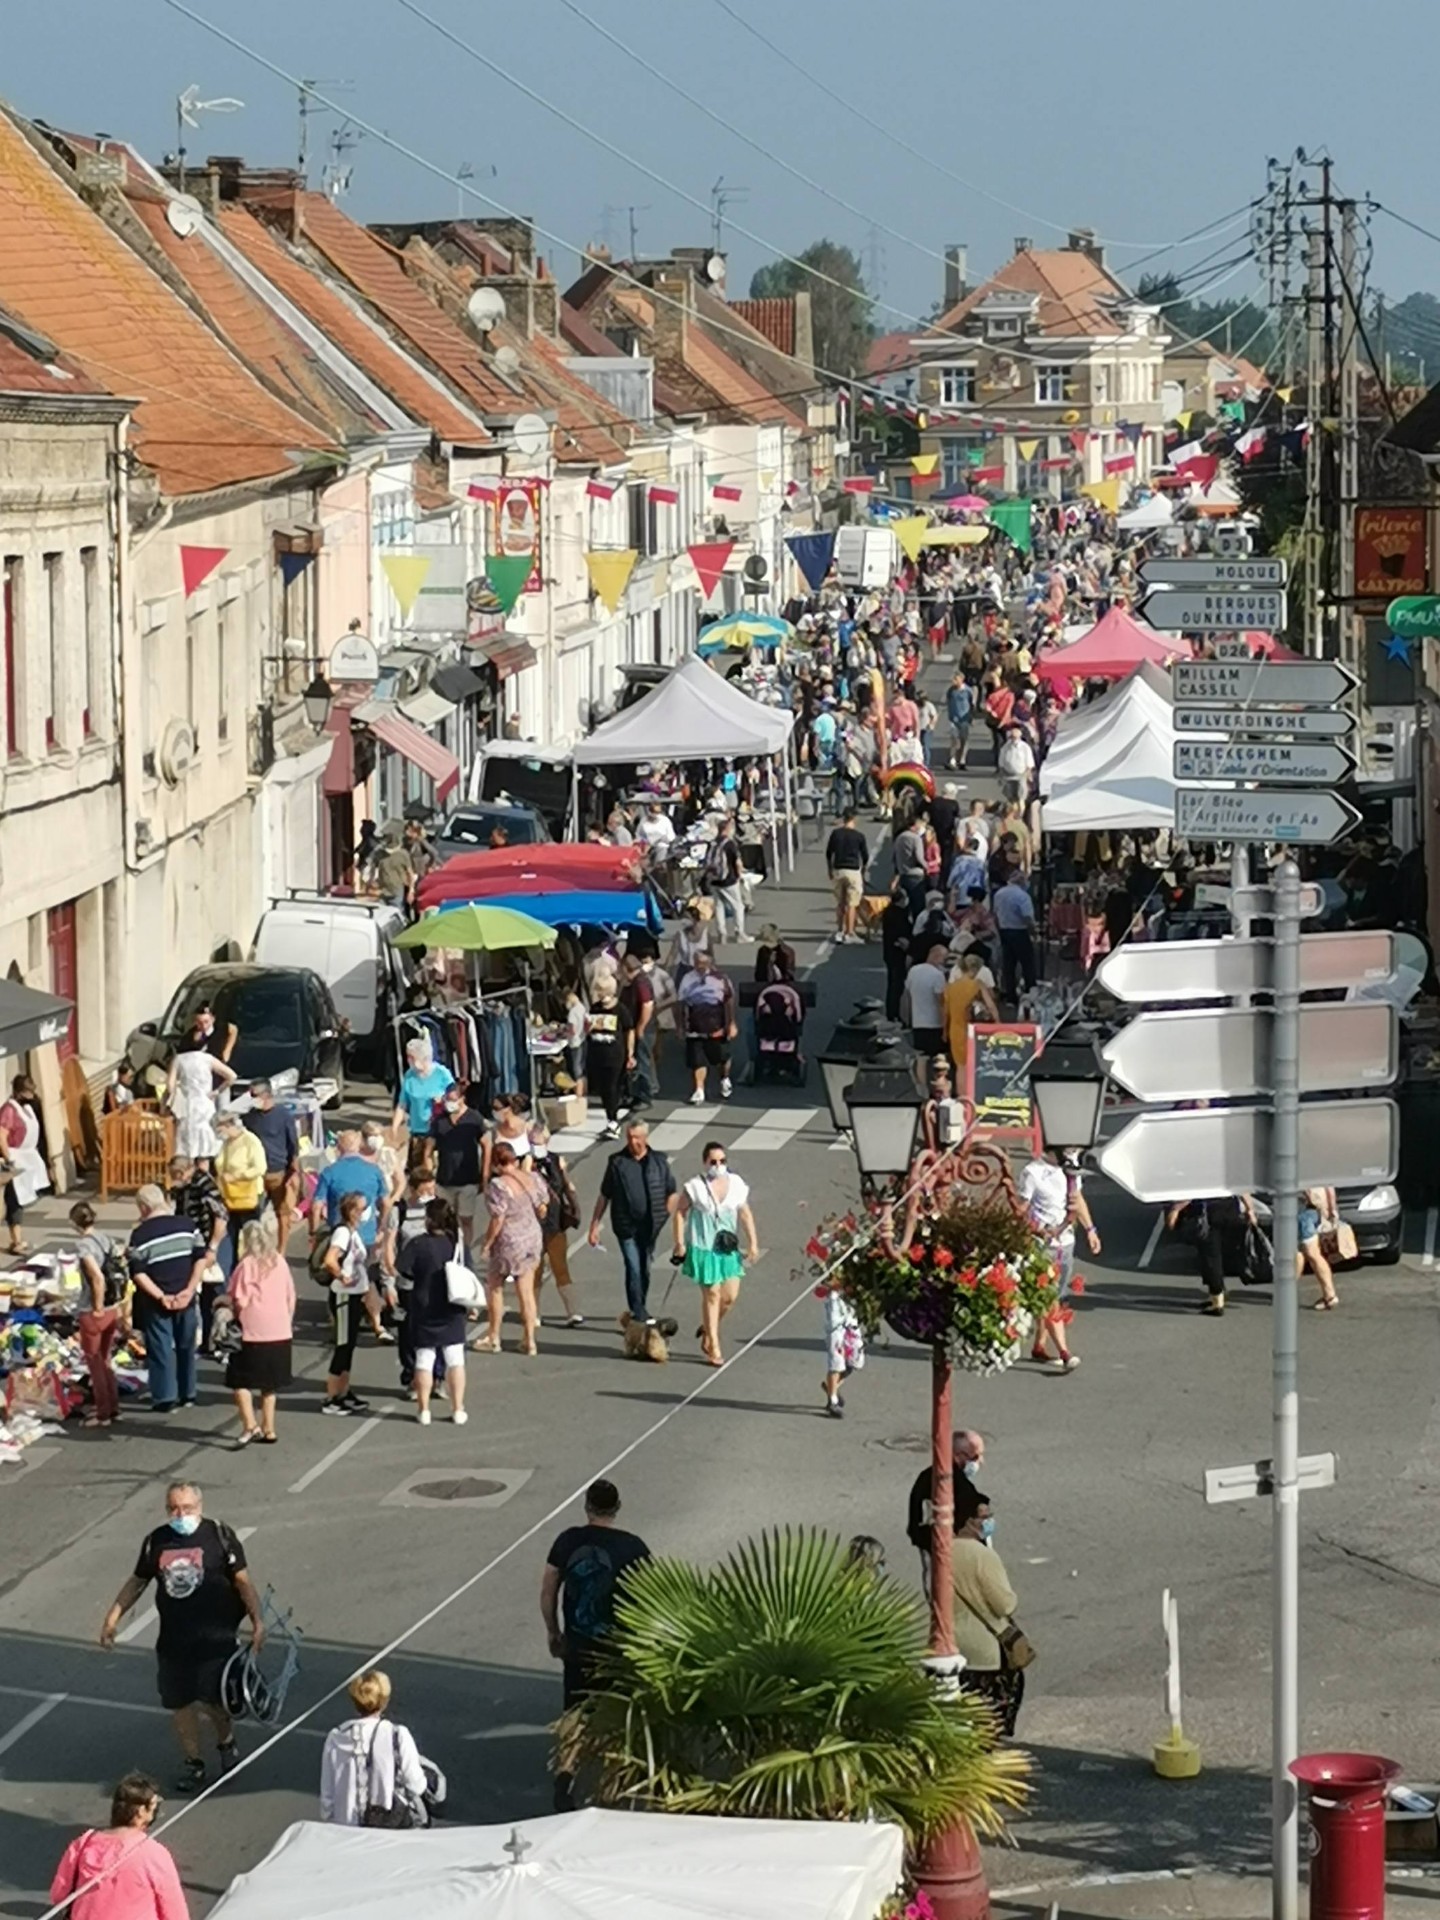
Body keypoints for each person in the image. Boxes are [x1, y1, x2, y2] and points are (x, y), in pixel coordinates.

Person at [100, 1480, 263, 1793]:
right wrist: (112, 1617)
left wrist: (258, 1622)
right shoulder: (156, 1541)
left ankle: (226, 1743)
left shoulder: (219, 1536)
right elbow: (138, 1581)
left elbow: (243, 1582)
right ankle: (194, 1763)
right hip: (174, 1643)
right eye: (173, 1508)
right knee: (181, 1704)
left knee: (215, 1702)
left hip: (216, 1640)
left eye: (186, 1508)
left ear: (199, 1507)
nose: (180, 1513)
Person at [541, 1479, 651, 1812]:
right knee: (618, 1715)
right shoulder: (633, 1547)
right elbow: (651, 1597)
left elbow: (548, 1592)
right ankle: (613, 1787)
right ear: (616, 1509)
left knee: (574, 1713)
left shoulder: (566, 1541)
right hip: (618, 1648)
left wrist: (553, 1632)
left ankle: (565, 1777)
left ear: (587, 1507)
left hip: (578, 1644)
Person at [49, 1773, 189, 1920]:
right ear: (141, 1812)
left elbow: (58, 1895)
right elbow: (174, 1911)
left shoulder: (83, 1844)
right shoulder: (154, 1854)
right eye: (154, 1806)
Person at [672, 1140, 759, 1367]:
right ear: (705, 1163)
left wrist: (753, 1244)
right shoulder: (695, 1187)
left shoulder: (736, 1184)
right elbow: (680, 1212)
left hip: (726, 1248)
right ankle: (713, 1344)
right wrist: (680, 1243)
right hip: (704, 1248)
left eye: (722, 1161)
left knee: (729, 1297)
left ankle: (709, 1327)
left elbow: (745, 1214)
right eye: (713, 1161)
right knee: (712, 1295)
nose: (718, 1165)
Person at [951, 1479, 1024, 1735]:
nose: (989, 1521)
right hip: (985, 1654)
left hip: (951, 1646)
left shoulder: (942, 1553)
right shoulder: (983, 1556)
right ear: (970, 1520)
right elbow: (1004, 1604)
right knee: (987, 1721)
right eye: (985, 1516)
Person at [127, 1186, 207, 1413]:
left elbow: (138, 1273)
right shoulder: (187, 1226)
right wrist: (190, 1289)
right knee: (186, 1345)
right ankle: (188, 1392)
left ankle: (165, 1397)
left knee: (161, 1348)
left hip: (157, 1302)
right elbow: (201, 1259)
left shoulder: (139, 1235)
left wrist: (161, 1296)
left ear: (143, 1207)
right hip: (186, 1296)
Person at [589, 1119, 676, 1326]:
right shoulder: (617, 1162)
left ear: (646, 1138)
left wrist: (672, 1218)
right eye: (629, 1137)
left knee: (644, 1268)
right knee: (633, 1266)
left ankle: (639, 1307)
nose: (632, 1141)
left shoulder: (658, 1162)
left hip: (651, 1226)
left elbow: (671, 1192)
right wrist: (594, 1225)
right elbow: (604, 1195)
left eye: (636, 1137)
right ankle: (638, 1312)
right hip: (625, 1225)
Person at [1020, 1148, 1099, 1373]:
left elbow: (1077, 1199)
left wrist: (1090, 1229)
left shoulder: (1071, 1166)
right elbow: (1020, 1210)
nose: (1073, 1150)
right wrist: (1036, 1230)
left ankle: (1039, 1346)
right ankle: (1065, 1353)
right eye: (1067, 1146)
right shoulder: (1032, 1173)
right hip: (1041, 1247)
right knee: (1050, 1299)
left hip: (1066, 1243)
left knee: (1056, 1296)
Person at [312, 1128, 392, 1345]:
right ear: (359, 1147)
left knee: (337, 1282)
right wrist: (381, 1227)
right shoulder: (374, 1170)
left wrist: (315, 1231)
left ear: (339, 1148)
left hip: (340, 1235)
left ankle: (339, 1325)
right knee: (369, 1280)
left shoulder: (330, 1172)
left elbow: (317, 1204)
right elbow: (385, 1202)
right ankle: (377, 1324)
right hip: (368, 1237)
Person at [320, 1670, 429, 1828]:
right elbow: (416, 1785)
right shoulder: (397, 1735)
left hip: (346, 1829)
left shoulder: (336, 1737)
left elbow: (327, 1798)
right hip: (387, 1826)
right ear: (384, 1701)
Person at [222, 1217, 294, 1447]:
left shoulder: (246, 1265)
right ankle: (269, 1428)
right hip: (280, 1330)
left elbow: (239, 1299)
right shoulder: (280, 1262)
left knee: (239, 1380)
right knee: (269, 1385)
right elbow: (290, 1296)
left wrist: (222, 1305)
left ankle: (250, 1425)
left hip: (252, 1332)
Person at [398, 1197, 470, 1423]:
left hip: (424, 1305)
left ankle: (424, 1410)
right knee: (455, 1358)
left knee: (424, 1358)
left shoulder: (419, 1244)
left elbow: (403, 1269)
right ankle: (457, 1408)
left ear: (429, 1220)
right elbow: (468, 1268)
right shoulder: (457, 1245)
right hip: (452, 1305)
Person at [476, 1140, 547, 1356]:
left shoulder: (498, 1186)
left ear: (496, 1164)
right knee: (526, 1290)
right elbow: (544, 1206)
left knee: (495, 1286)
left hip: (509, 1240)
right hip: (532, 1236)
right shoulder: (532, 1178)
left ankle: (494, 1336)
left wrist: (487, 1244)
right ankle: (529, 1340)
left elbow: (498, 1219)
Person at [906, 1430, 986, 1595]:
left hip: (931, 1550)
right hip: (953, 1559)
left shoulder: (926, 1477)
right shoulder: (960, 1488)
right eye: (976, 1457)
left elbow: (915, 1522)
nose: (980, 1462)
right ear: (959, 1456)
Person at [71, 1200, 126, 1430]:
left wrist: (97, 1305)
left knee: (95, 1362)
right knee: (106, 1359)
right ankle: (113, 1408)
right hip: (113, 1308)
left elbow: (97, 1277)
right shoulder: (106, 1239)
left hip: (93, 1310)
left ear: (75, 1223)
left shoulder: (84, 1246)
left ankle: (103, 1413)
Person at [168, 1154, 227, 1345]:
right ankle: (201, 1339)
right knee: (198, 1292)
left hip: (205, 1245)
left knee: (211, 1293)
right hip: (190, 1246)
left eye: (173, 1174)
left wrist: (213, 1248)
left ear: (180, 1172)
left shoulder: (203, 1185)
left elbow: (221, 1216)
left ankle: (216, 1338)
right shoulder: (183, 1187)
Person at [530, 1123, 583, 1326]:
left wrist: (574, 1207)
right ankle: (533, 1313)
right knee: (535, 1270)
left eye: (539, 1141)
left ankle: (573, 1311)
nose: (536, 1145)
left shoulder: (555, 1160)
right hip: (533, 1224)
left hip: (555, 1221)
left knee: (560, 1267)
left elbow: (566, 1186)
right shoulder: (525, 1163)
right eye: (533, 1141)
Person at [243, 1080, 300, 1254]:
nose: (252, 1099)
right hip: (256, 1174)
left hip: (278, 1173)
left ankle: (281, 1251)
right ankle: (254, 1250)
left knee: (283, 1213)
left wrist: (294, 1173)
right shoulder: (249, 1117)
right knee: (252, 1214)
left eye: (255, 1095)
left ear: (267, 1095)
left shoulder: (283, 1116)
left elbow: (293, 1146)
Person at [677, 948, 737, 1104]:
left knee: (720, 1057)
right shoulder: (687, 979)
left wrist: (731, 1023)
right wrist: (680, 1026)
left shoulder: (721, 979)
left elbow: (729, 1001)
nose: (700, 966)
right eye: (697, 963)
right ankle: (699, 1089)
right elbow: (680, 1003)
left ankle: (724, 1079)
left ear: (710, 963)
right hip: (695, 1023)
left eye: (704, 963)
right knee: (698, 1059)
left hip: (716, 1022)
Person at [164, 1035, 234, 1168]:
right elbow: (232, 1076)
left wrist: (175, 1094)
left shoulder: (179, 1059)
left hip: (187, 1106)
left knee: (187, 1149)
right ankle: (204, 1182)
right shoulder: (208, 1059)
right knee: (204, 1152)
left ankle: (186, 1181)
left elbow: (169, 1086)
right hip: (205, 1105)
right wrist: (217, 1092)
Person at [0, 1073, 49, 1254]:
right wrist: (9, 1160)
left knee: (19, 1199)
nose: (31, 1096)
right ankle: (16, 1240)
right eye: (28, 1093)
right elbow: (1, 1135)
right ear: (19, 1092)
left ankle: (17, 1238)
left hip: (26, 1157)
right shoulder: (9, 1110)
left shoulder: (26, 1108)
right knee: (14, 1199)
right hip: (14, 1157)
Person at [213, 1111, 266, 1272]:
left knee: (250, 1237)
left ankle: (253, 1270)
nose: (218, 1132)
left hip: (249, 1196)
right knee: (229, 1237)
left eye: (220, 1128)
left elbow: (260, 1168)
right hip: (229, 1196)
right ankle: (231, 1273)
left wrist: (237, 1176)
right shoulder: (227, 1143)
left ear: (229, 1126)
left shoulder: (250, 1141)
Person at [583, 976, 635, 1140]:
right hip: (597, 1053)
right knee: (603, 1089)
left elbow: (629, 1030)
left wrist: (630, 1053)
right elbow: (588, 1029)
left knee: (612, 1087)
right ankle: (610, 1118)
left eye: (603, 991)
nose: (601, 994)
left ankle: (613, 1121)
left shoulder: (621, 1009)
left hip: (615, 1054)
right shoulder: (595, 1008)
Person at [432, 1083, 486, 1239]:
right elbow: (429, 1148)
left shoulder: (474, 1119)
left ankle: (467, 1254)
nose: (449, 1103)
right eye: (447, 1099)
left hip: (468, 1180)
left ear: (462, 1099)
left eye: (453, 1099)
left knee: (466, 1220)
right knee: (444, 1220)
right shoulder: (439, 1121)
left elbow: (486, 1145)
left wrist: (485, 1175)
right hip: (444, 1181)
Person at [393, 1037, 455, 1170]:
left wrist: (443, 1100)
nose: (409, 1061)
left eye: (412, 1057)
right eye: (408, 1057)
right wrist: (395, 1127)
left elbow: (456, 1098)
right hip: (418, 1131)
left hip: (438, 1130)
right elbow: (402, 1104)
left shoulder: (442, 1074)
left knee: (436, 1169)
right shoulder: (409, 1075)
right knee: (417, 1172)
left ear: (425, 1058)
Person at [944, 952, 1000, 1076]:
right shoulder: (977, 984)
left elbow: (946, 1012)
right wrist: (998, 1022)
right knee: (977, 1066)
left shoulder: (950, 987)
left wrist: (944, 1031)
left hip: (956, 1029)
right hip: (975, 1029)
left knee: (961, 1067)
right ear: (975, 969)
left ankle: (962, 1094)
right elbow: (991, 1006)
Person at [821, 1278, 865, 1418]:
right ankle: (832, 1402)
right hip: (836, 1331)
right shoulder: (833, 1296)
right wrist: (837, 1284)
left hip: (851, 1329)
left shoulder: (854, 1293)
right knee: (836, 1364)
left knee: (854, 1363)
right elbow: (827, 1283)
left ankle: (832, 1387)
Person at [825, 809, 869, 943]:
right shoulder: (859, 836)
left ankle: (839, 930)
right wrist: (863, 871)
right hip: (853, 870)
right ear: (854, 819)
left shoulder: (835, 834)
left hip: (838, 870)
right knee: (852, 903)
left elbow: (828, 853)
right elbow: (865, 857)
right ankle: (849, 932)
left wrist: (830, 869)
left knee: (840, 903)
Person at [993, 873, 1038, 1002]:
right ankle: (1031, 990)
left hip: (1004, 931)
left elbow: (995, 914)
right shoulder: (1023, 896)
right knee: (1027, 963)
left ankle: (1010, 995)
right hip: (1020, 931)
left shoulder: (999, 894)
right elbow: (1027, 917)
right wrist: (1033, 931)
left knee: (1009, 964)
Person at [901, 942, 950, 1061]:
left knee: (921, 1058)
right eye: (944, 959)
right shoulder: (938, 975)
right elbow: (941, 1003)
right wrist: (945, 1026)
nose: (944, 963)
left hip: (918, 1022)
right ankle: (938, 1079)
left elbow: (906, 996)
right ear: (937, 957)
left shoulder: (913, 971)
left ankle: (920, 1079)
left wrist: (907, 1018)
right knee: (939, 1058)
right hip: (934, 1024)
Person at [619, 953, 657, 1108]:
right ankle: (636, 1094)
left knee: (642, 1062)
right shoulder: (634, 981)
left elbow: (647, 1004)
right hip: (638, 1027)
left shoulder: (640, 982)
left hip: (644, 1029)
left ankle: (645, 1096)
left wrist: (640, 1026)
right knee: (638, 1061)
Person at [706, 816, 750, 941]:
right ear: (727, 829)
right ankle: (739, 933)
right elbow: (737, 862)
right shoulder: (730, 844)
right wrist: (740, 876)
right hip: (728, 879)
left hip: (714, 879)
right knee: (738, 906)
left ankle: (722, 934)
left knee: (719, 906)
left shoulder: (713, 842)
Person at [1299, 1185, 1341, 1310]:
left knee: (1310, 1253)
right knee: (1305, 1252)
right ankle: (1329, 1294)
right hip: (1315, 1211)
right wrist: (1331, 1209)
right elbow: (1329, 1186)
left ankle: (1330, 1294)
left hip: (1303, 1212)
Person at [664, 906, 711, 988]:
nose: (684, 921)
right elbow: (672, 955)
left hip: (701, 970)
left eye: (687, 918)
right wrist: (665, 972)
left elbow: (711, 955)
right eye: (683, 917)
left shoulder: (705, 934)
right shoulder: (680, 934)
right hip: (685, 970)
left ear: (695, 919)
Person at [892, 816, 929, 917]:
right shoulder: (916, 838)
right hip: (915, 875)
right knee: (918, 906)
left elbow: (894, 856)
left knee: (905, 904)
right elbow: (919, 857)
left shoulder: (899, 838)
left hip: (903, 873)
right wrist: (927, 866)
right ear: (914, 826)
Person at [946, 670, 974, 770]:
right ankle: (952, 760)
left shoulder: (968, 691)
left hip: (964, 719)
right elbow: (948, 701)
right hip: (953, 719)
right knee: (954, 740)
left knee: (964, 740)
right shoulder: (951, 690)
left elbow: (971, 703)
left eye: (955, 679)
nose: (953, 681)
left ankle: (962, 760)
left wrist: (971, 717)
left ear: (961, 680)